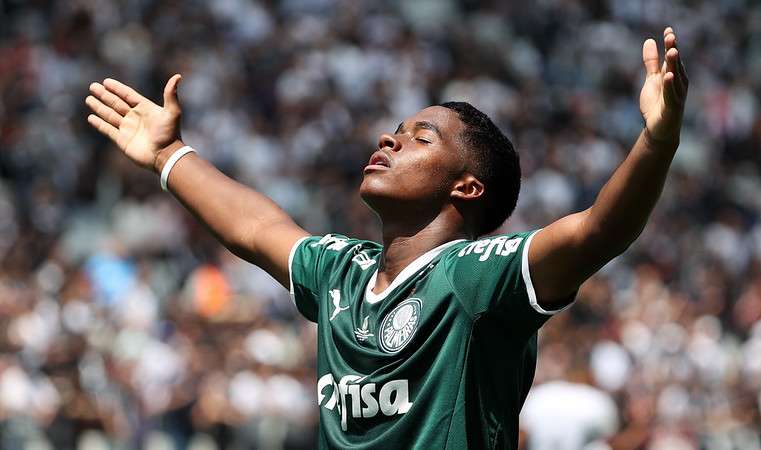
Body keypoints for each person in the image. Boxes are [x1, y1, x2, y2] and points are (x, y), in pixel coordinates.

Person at [85, 25, 688, 449]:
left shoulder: (477, 277)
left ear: (467, 188)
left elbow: (596, 232)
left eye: (422, 138)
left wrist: (655, 143)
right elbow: (257, 228)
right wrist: (170, 155)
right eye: (396, 130)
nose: (391, 140)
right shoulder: (342, 272)